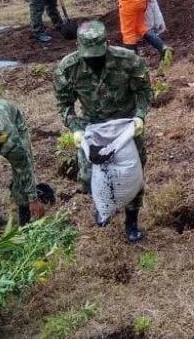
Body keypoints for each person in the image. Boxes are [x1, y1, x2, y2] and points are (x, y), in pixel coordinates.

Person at [54, 20, 152, 243]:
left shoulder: (127, 61)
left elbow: (144, 91)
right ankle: (104, 204)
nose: (94, 59)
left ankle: (131, 221)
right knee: (88, 176)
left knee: (132, 176)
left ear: (106, 44)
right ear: (79, 47)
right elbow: (64, 104)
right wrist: (76, 129)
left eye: (98, 54)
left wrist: (139, 117)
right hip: (93, 127)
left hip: (125, 127)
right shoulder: (68, 68)